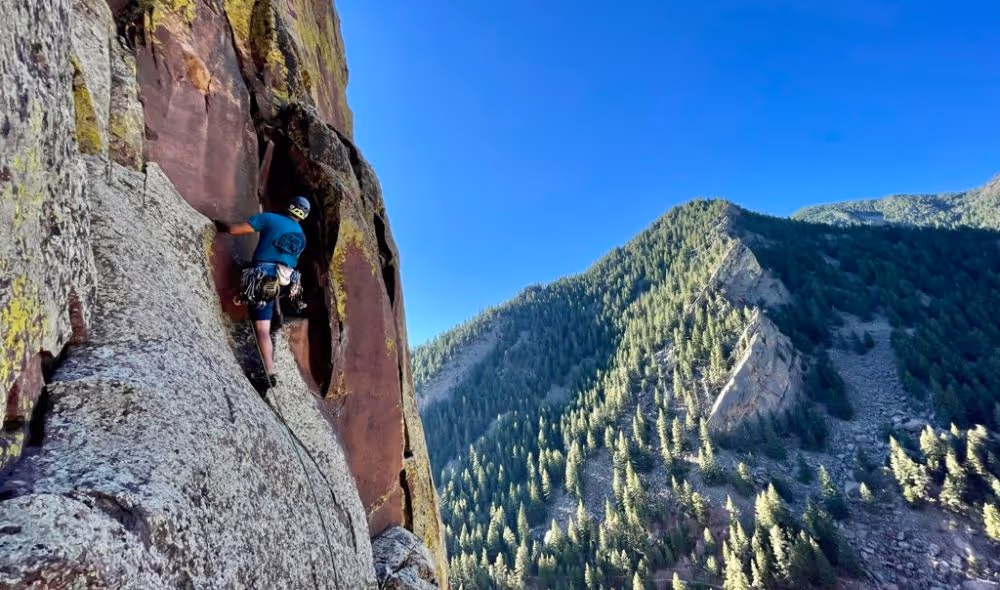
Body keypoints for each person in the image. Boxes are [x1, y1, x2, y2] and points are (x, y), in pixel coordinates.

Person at [213, 196, 311, 386]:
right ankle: (269, 372)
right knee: (264, 328)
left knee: (260, 326)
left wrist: (219, 224)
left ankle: (267, 372)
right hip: (283, 281)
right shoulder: (301, 236)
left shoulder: (269, 218)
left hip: (262, 275)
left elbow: (235, 230)